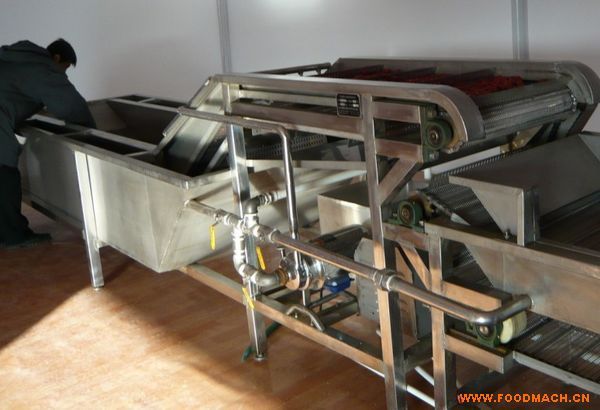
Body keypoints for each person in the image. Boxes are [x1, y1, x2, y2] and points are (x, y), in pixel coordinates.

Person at [0, 38, 96, 249]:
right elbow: (71, 105)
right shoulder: (42, 67)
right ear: (57, 58)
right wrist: (92, 135)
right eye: (65, 68)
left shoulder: (17, 59)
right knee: (5, 175)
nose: (64, 74)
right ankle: (14, 236)